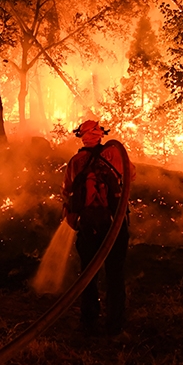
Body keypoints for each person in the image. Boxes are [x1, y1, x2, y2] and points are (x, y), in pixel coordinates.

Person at [61, 120, 135, 336]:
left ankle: (89, 319)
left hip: (88, 225)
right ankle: (115, 323)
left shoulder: (75, 161)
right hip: (114, 223)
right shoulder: (115, 154)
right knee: (115, 274)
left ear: (82, 136)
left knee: (87, 273)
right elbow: (131, 175)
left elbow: (66, 192)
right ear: (100, 134)